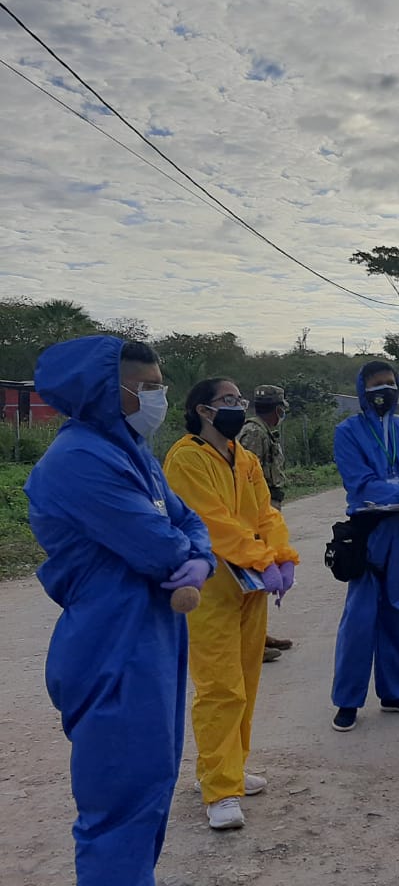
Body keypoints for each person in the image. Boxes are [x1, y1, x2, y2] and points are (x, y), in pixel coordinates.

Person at [24, 335, 214, 885]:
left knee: (149, 791)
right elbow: (161, 545)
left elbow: (190, 522)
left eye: (160, 386)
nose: (158, 398)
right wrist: (192, 556)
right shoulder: (78, 460)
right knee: (119, 806)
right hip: (111, 648)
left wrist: (198, 557)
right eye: (148, 388)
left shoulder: (131, 452)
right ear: (111, 391)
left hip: (150, 640)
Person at [164, 378, 299, 831]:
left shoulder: (246, 459)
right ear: (203, 409)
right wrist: (264, 558)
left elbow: (266, 515)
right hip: (212, 584)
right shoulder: (186, 458)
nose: (239, 407)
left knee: (246, 679)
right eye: (229, 400)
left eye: (240, 401)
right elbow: (213, 523)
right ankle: (219, 789)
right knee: (220, 687)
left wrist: (283, 556)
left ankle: (233, 767)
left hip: (251, 583)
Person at [330, 361, 399, 732]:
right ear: (362, 390)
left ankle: (395, 693)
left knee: (398, 610)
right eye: (377, 385)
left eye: (391, 384)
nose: (385, 391)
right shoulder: (348, 432)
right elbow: (360, 481)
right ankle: (347, 701)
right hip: (368, 528)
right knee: (360, 617)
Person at [237, 384, 293, 661]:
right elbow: (245, 477)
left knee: (261, 573)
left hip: (268, 507)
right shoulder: (254, 433)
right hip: (256, 513)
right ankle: (251, 641)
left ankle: (259, 633)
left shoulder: (262, 431)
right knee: (255, 572)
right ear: (277, 409)